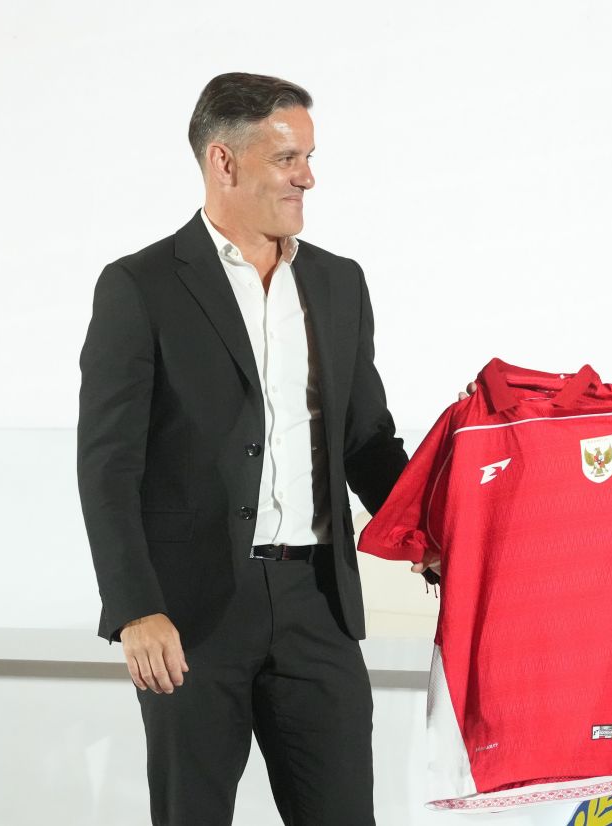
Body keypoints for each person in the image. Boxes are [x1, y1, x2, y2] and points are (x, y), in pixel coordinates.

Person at [77, 72, 406, 825]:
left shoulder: (337, 283)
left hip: (318, 604)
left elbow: (366, 442)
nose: (308, 177)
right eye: (288, 158)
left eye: (310, 157)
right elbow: (108, 466)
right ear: (223, 161)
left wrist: (432, 531)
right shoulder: (140, 286)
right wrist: (135, 608)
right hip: (192, 615)